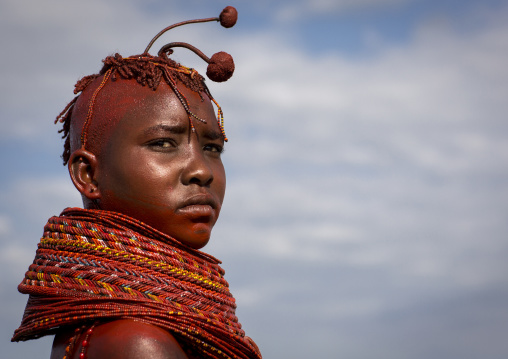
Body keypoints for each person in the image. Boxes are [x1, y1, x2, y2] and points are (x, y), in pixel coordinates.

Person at [12, 6, 261, 359]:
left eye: (212, 147)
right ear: (88, 175)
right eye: (163, 143)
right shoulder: (137, 342)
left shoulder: (129, 328)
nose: (202, 170)